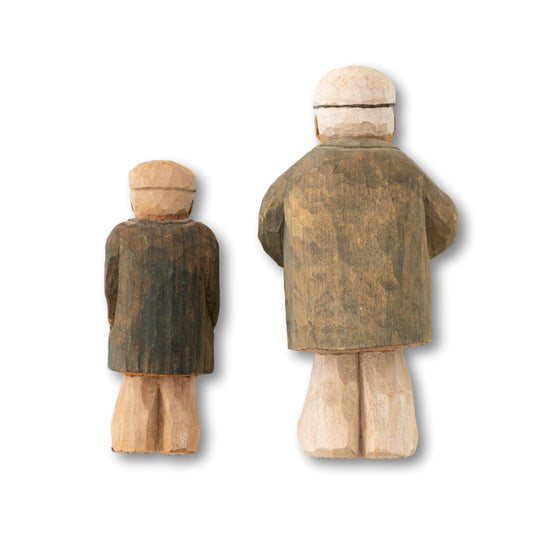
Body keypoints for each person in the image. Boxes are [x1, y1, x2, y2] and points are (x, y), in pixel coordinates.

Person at [258, 65, 458, 458]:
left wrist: (303, 265)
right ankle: (390, 439)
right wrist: (409, 258)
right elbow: (445, 224)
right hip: (394, 299)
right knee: (387, 367)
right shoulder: (406, 171)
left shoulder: (298, 175)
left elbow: (269, 229)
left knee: (331, 370)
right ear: (389, 121)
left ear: (318, 122)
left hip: (321, 300)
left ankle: (330, 438)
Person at [106, 160, 219, 454]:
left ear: (135, 198)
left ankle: (132, 441)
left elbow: (111, 291)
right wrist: (205, 330)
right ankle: (178, 444)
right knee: (180, 398)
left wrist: (116, 324)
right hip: (187, 341)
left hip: (133, 339)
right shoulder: (203, 238)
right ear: (189, 200)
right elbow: (212, 297)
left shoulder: (121, 235)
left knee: (136, 395)